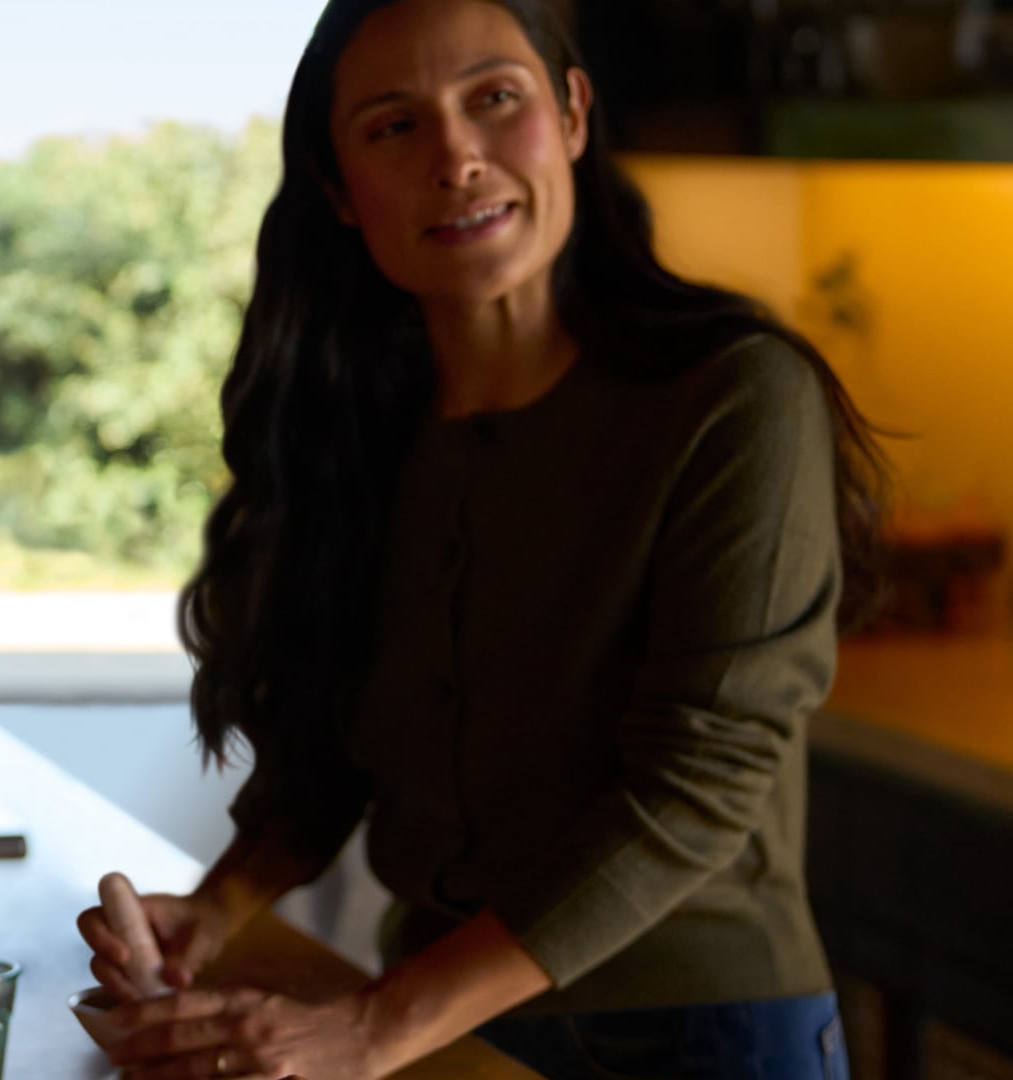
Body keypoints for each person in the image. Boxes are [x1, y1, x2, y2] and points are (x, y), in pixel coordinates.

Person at [78, 1, 886, 1077]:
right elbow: (334, 746)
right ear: (338, 190)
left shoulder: (734, 395)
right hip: (448, 1031)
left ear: (573, 114)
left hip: (708, 1034)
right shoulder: (357, 429)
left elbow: (699, 787)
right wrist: (214, 911)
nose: (456, 158)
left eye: (494, 100)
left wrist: (375, 1027)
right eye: (391, 127)